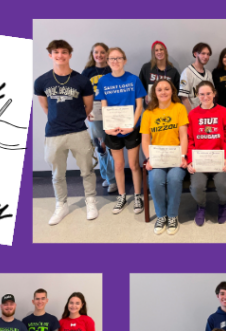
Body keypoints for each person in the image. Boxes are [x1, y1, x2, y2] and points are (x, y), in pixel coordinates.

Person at [35, 39, 98, 225]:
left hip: (78, 132)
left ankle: (91, 201)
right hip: (54, 134)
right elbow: (45, 107)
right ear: (50, 55)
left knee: (87, 170)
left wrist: (74, 119)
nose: (60, 55)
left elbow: (87, 106)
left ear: (70, 55)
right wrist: (59, 120)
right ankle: (61, 204)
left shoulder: (82, 80)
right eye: (56, 52)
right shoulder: (41, 81)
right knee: (57, 174)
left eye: (64, 52)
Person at [96, 47, 146, 215]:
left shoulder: (133, 79)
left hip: (131, 128)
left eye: (118, 58)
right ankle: (122, 195)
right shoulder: (103, 81)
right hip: (112, 129)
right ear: (107, 61)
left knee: (133, 164)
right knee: (118, 165)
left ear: (124, 60)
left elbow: (139, 105)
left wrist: (132, 125)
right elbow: (103, 105)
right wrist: (107, 127)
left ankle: (138, 195)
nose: (115, 61)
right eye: (112, 58)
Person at [140, 79, 189, 235]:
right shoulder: (148, 113)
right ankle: (161, 215)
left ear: (172, 91)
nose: (163, 92)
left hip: (176, 157)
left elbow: (183, 136)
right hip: (157, 158)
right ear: (154, 92)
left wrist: (183, 155)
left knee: (174, 178)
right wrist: (149, 159)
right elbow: (145, 140)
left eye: (166, 89)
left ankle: (173, 215)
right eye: (159, 89)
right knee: (155, 179)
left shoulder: (179, 108)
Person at [186, 81, 226, 226]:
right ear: (197, 95)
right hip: (199, 160)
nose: (205, 97)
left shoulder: (224, 111)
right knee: (196, 187)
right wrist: (190, 161)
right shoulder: (192, 114)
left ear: (214, 94)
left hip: (219, 158)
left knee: (223, 185)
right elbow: (190, 140)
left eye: (208, 93)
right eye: (202, 94)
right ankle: (201, 206)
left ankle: (222, 204)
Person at [81, 42, 116, 193]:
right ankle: (107, 177)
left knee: (112, 145)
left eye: (102, 52)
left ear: (107, 54)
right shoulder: (87, 72)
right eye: (96, 52)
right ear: (92, 54)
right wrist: (86, 110)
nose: (99, 55)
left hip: (111, 111)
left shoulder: (112, 69)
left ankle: (114, 178)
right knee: (100, 146)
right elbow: (82, 93)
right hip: (94, 112)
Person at [179, 43, 213, 110]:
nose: (206, 56)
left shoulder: (209, 74)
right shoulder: (187, 72)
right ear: (195, 54)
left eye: (208, 54)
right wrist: (190, 115)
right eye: (203, 53)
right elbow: (184, 97)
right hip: (194, 113)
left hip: (207, 113)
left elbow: (212, 95)